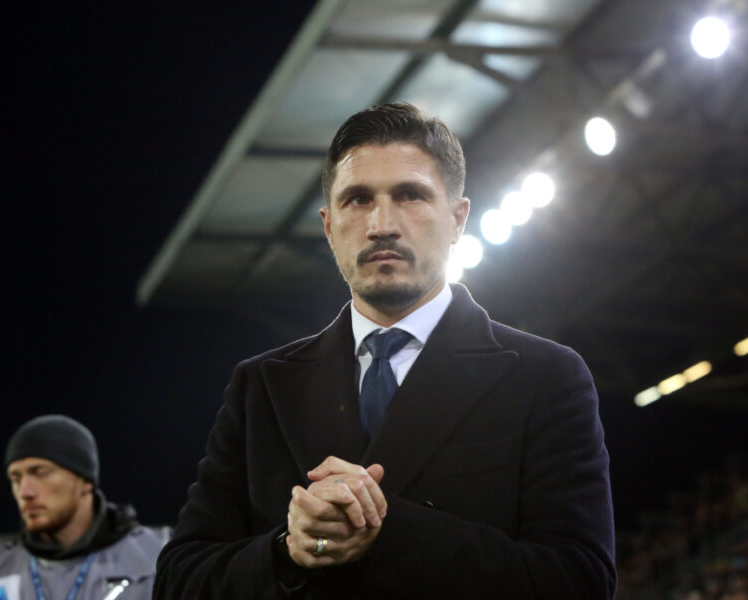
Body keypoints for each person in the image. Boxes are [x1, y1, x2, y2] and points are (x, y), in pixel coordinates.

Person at [154, 102, 616, 599]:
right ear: (330, 227)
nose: (382, 224)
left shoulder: (545, 375)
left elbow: (581, 581)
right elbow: (180, 580)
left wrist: (386, 527)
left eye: (410, 195)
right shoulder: (261, 386)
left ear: (458, 219)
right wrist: (288, 550)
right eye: (357, 199)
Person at [0, 415, 169, 600]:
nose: (25, 492)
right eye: (16, 478)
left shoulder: (156, 555)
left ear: (85, 481)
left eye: (40, 472)